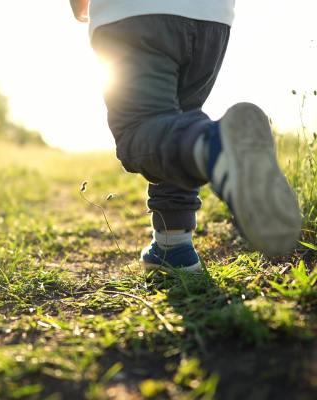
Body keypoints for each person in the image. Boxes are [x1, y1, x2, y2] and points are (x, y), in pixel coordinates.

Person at [70, 0, 301, 271]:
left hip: (134, 14)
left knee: (138, 129)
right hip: (212, 20)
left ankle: (215, 146)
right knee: (178, 123)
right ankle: (173, 245)